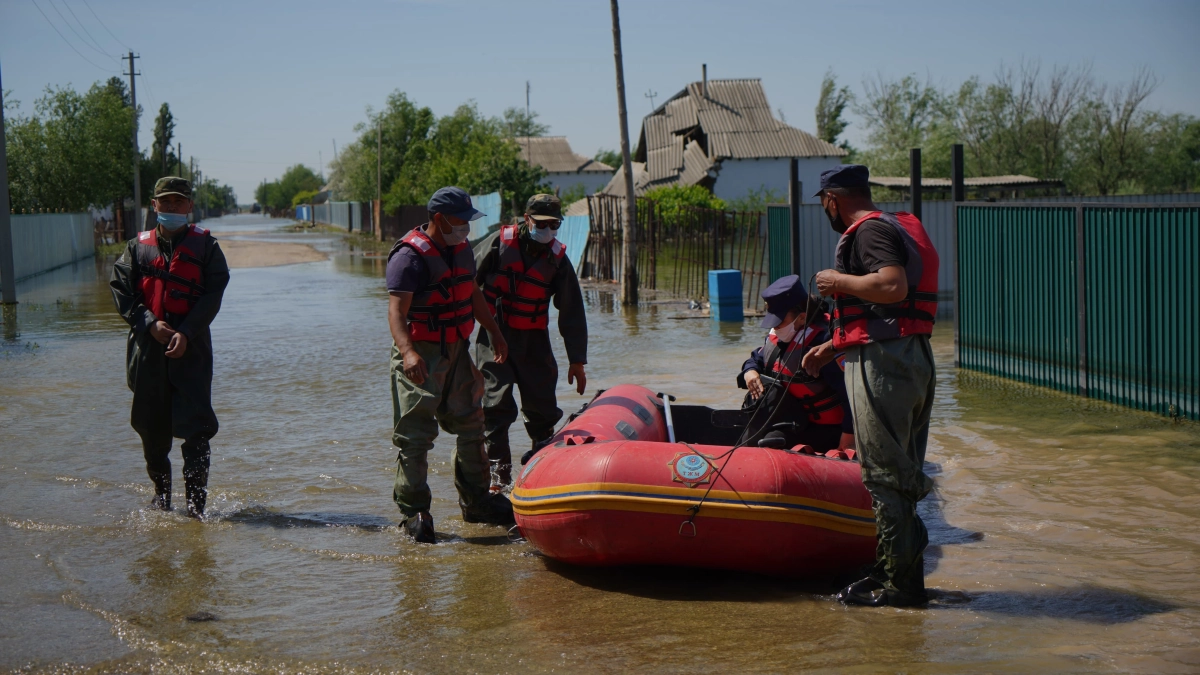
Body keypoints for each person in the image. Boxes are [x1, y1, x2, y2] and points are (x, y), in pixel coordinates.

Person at [800, 164, 940, 607]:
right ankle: (894, 571)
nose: (826, 211)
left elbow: (892, 286)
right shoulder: (893, 226)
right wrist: (830, 348)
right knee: (898, 472)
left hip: (884, 365)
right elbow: (882, 319)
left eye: (824, 204)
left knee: (883, 474)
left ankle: (899, 586)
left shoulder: (868, 232)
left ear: (832, 200)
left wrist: (835, 280)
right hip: (909, 357)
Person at [385, 186, 514, 543]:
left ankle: (476, 503)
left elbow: (471, 293)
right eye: (460, 221)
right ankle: (414, 512)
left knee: (473, 423)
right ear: (439, 219)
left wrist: (494, 331)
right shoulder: (408, 257)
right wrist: (408, 353)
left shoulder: (461, 251)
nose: (466, 229)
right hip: (420, 352)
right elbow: (396, 312)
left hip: (456, 348)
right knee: (415, 436)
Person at [110, 177, 230, 518]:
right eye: (167, 202)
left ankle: (195, 510)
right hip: (148, 349)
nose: (173, 207)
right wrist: (149, 323)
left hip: (191, 349)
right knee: (151, 429)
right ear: (155, 205)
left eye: (179, 202)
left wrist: (187, 332)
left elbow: (214, 292)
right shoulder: (136, 247)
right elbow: (121, 289)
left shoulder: (207, 248)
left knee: (197, 431)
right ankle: (162, 498)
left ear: (189, 207)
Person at [474, 194, 588, 488]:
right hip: (493, 335)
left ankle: (541, 465)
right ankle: (499, 474)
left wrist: (577, 361)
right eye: (542, 224)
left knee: (541, 406)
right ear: (527, 219)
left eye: (554, 225)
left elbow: (572, 311)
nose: (548, 231)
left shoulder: (558, 259)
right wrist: (456, 341)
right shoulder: (498, 244)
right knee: (495, 403)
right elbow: (465, 285)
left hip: (533, 340)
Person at [738, 275, 854, 454]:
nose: (775, 328)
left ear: (801, 318)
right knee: (757, 440)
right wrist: (750, 371)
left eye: (780, 322)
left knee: (770, 445)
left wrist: (849, 434)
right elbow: (756, 358)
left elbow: (850, 394)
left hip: (830, 429)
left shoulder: (822, 346)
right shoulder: (779, 337)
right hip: (795, 422)